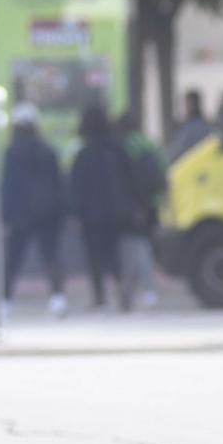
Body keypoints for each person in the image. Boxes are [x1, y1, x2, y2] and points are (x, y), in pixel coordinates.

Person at [68, 105, 138, 310]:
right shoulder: (118, 150)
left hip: (91, 214)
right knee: (116, 254)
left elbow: (76, 186)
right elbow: (131, 181)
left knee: (94, 256)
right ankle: (121, 290)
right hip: (116, 211)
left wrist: (75, 213)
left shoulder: (84, 154)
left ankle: (99, 296)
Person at [1, 102, 68, 315]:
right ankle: (58, 298)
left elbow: (9, 186)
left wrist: (6, 216)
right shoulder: (48, 150)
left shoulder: (12, 152)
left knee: (13, 260)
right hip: (48, 213)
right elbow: (59, 183)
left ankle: (5, 301)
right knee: (51, 257)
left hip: (21, 214)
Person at [119, 121, 169, 310]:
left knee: (136, 248)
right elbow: (163, 169)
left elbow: (131, 180)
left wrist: (135, 206)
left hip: (135, 206)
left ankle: (145, 291)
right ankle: (130, 293)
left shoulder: (127, 147)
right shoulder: (149, 143)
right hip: (153, 202)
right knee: (141, 246)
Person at [167, 88, 213, 161]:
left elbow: (177, 150)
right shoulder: (206, 125)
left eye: (187, 103)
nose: (186, 107)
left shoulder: (192, 128)